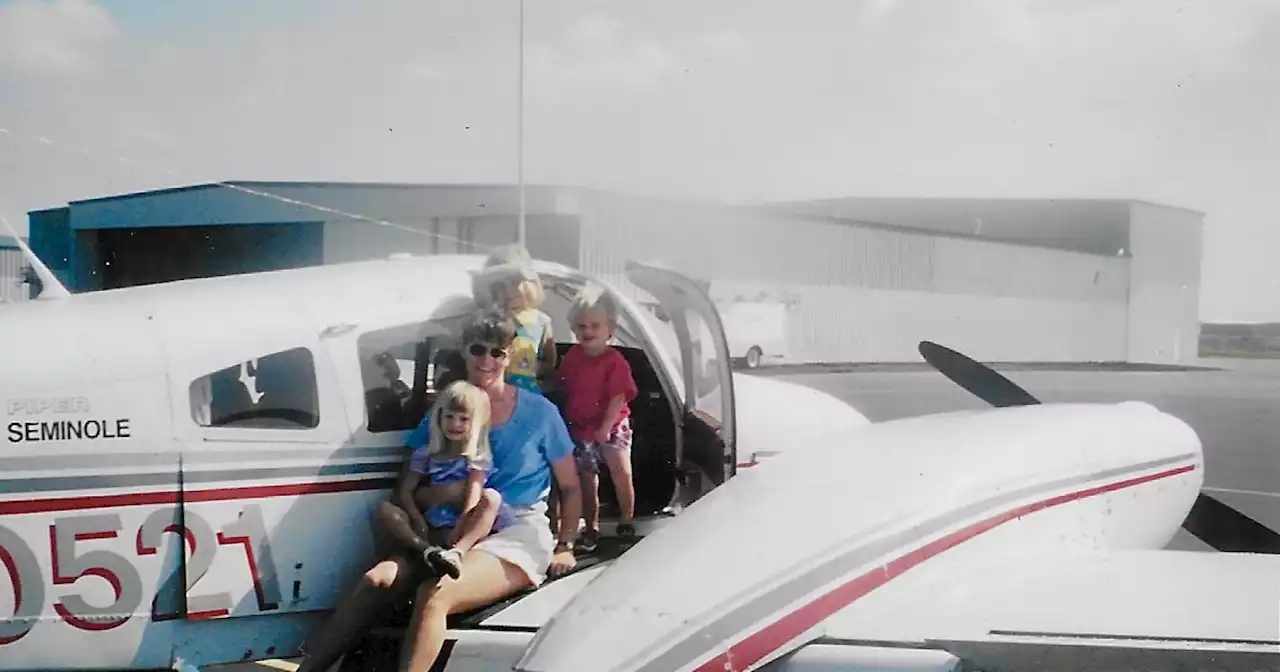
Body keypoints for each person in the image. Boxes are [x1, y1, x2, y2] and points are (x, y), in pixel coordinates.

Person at [295, 310, 582, 672]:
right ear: (464, 351)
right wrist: (438, 500)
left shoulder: (541, 413)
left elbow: (570, 487)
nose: (486, 360)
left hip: (513, 531)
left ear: (509, 355)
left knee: (436, 592)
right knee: (375, 580)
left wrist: (566, 545)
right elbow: (409, 484)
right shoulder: (447, 409)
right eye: (478, 350)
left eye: (497, 352)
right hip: (446, 527)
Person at [387, 380, 514, 580]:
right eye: (449, 416)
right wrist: (418, 520)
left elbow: (473, 495)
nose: (455, 424)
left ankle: (458, 552)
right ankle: (428, 551)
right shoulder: (426, 454)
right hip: (435, 521)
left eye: (463, 419)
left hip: (463, 521)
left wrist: (461, 526)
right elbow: (406, 491)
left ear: (476, 423)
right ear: (439, 417)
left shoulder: (476, 457)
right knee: (386, 510)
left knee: (492, 498)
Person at [554, 283, 640, 552]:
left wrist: (605, 427)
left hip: (612, 425)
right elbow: (564, 385)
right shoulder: (572, 357)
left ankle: (627, 519)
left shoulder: (614, 361)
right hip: (582, 427)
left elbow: (619, 396)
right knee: (587, 479)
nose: (588, 331)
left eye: (595, 325)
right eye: (581, 326)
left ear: (610, 329)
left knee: (621, 470)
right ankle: (591, 526)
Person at [471, 244, 557, 394]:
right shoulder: (487, 318)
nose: (507, 291)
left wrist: (533, 369)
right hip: (489, 390)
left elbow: (550, 361)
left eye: (514, 282)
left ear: (529, 284)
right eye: (500, 285)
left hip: (526, 392)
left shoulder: (541, 321)